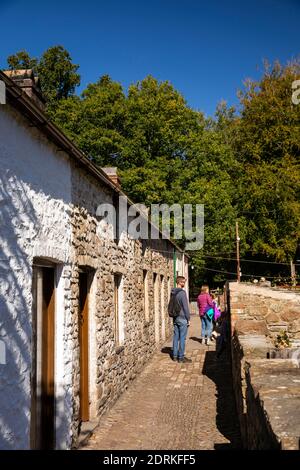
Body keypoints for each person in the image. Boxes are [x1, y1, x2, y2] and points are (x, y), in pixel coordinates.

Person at [170, 276, 192, 363]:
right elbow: (186, 307)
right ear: (180, 283)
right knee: (182, 338)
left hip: (175, 317)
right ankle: (181, 357)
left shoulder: (173, 292)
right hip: (182, 317)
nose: (184, 283)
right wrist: (188, 318)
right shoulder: (182, 293)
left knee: (176, 337)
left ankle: (174, 356)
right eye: (184, 282)